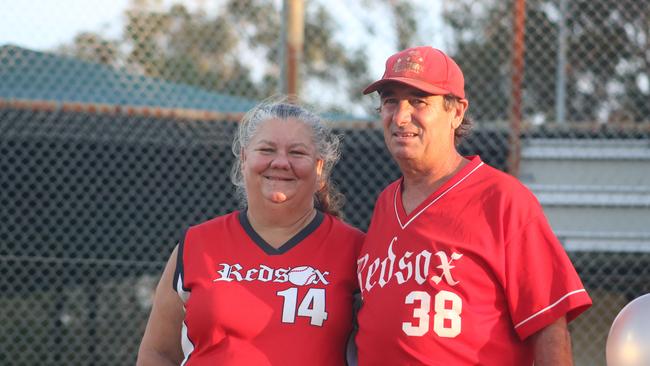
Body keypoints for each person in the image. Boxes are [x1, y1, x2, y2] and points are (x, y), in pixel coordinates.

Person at [355, 46, 592, 366]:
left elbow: (549, 324)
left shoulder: (502, 198)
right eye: (390, 101)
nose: (400, 116)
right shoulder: (385, 203)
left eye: (418, 101)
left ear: (457, 112)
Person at [137, 98, 364, 365]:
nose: (280, 162)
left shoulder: (356, 252)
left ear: (319, 168)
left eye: (297, 153)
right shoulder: (197, 244)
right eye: (267, 150)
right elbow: (157, 353)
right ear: (244, 159)